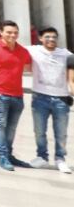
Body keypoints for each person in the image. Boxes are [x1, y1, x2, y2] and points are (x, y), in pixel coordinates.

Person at [0, 20, 32, 171]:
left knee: (11, 128)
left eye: (15, 32)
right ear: (1, 33)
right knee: (0, 125)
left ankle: (9, 154)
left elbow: (31, 66)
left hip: (17, 95)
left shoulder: (22, 51)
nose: (12, 35)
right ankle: (2, 156)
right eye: (9, 32)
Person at [27, 27, 71, 173]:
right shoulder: (34, 50)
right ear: (40, 38)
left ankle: (60, 158)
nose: (51, 39)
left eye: (54, 37)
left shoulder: (66, 54)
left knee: (61, 132)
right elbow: (13, 46)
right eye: (47, 37)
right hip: (40, 97)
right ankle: (42, 156)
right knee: (39, 130)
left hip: (61, 99)